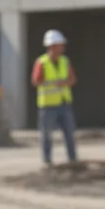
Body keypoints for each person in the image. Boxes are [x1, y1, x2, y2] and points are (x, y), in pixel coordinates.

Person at [32, 29, 78, 166]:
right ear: (51, 46)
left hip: (64, 103)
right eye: (59, 45)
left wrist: (64, 83)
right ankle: (47, 161)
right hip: (47, 105)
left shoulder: (65, 61)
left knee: (69, 133)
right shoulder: (41, 62)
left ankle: (73, 159)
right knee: (46, 135)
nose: (62, 48)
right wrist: (52, 83)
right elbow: (35, 81)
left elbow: (73, 79)